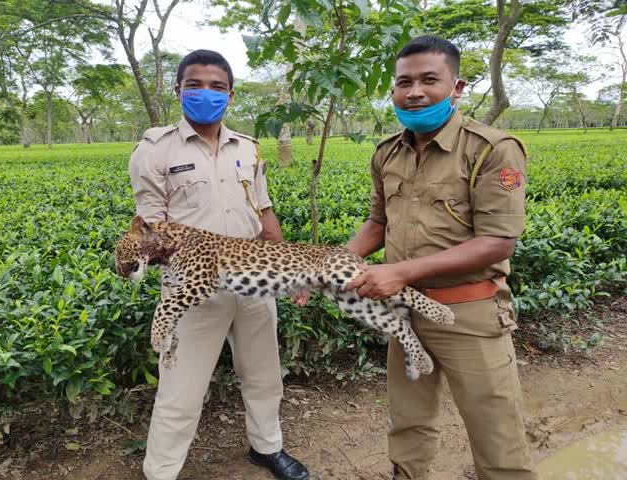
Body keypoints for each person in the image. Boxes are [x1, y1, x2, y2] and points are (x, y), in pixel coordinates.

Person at [344, 35, 536, 480]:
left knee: (496, 433)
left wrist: (400, 272)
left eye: (429, 80)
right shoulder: (387, 152)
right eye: (403, 82)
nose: (414, 92)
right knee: (408, 422)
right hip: (404, 309)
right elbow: (378, 224)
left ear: (457, 86)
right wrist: (327, 265)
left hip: (470, 314)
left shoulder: (491, 148)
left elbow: (498, 241)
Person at [128, 49, 310, 480]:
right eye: (194, 84)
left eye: (217, 86)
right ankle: (162, 472)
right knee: (181, 388)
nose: (205, 93)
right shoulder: (154, 151)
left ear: (230, 95)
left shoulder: (247, 147)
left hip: (252, 282)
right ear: (178, 90)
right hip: (192, 288)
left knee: (264, 374)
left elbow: (264, 213)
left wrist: (292, 269)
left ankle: (267, 449)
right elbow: (152, 229)